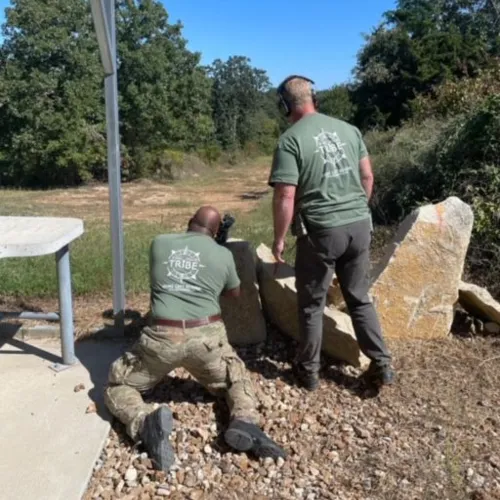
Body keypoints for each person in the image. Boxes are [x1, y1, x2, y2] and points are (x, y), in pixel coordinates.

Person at [104, 206, 286, 472]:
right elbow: (234, 294)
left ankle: (143, 423)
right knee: (236, 377)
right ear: (215, 232)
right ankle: (244, 419)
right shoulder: (222, 254)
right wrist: (218, 251)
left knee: (116, 384)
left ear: (190, 222)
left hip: (162, 339)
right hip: (206, 340)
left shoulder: (160, 242)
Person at [268, 75, 394, 391]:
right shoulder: (350, 130)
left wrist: (280, 239)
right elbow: (367, 177)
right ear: (315, 98)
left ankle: (308, 372)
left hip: (321, 232)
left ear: (285, 105)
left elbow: (285, 196)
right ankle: (381, 363)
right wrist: (355, 211)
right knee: (359, 298)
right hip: (360, 226)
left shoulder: (289, 140)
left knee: (311, 304)